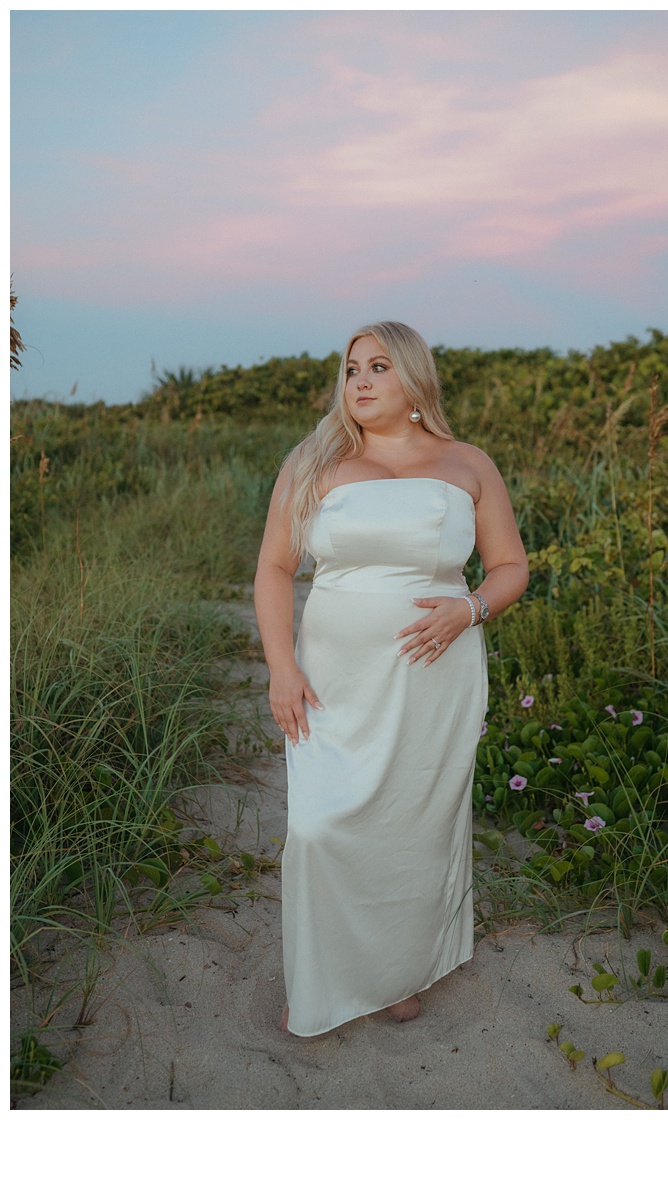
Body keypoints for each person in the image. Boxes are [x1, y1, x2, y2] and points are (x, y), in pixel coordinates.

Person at [254, 321, 528, 1037]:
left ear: (415, 381)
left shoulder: (467, 463)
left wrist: (469, 610)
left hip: (433, 674)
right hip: (332, 677)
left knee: (414, 824)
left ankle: (398, 974)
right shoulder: (315, 460)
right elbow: (275, 570)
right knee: (319, 825)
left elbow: (510, 568)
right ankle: (322, 982)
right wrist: (282, 665)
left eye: (378, 367)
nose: (361, 381)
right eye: (351, 369)